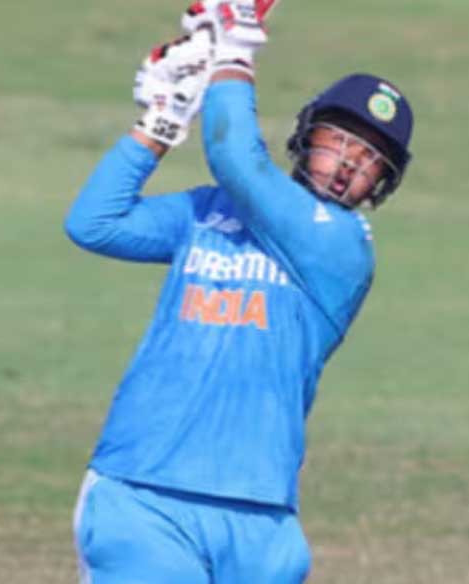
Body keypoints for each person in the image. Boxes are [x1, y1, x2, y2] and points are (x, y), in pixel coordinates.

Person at [65, 1, 414, 581]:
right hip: (144, 493)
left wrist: (235, 44)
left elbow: (233, 154)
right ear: (306, 136)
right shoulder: (209, 210)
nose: (347, 165)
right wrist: (161, 122)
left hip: (261, 519)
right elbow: (95, 223)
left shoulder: (342, 247)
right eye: (339, 141)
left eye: (370, 160)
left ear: (383, 183)